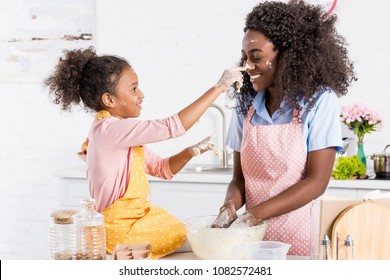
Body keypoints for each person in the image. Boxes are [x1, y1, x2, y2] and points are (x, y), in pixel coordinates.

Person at [44, 46, 244, 259]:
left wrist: (190, 152)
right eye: (133, 89)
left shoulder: (119, 132)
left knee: (198, 239)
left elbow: (162, 169)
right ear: (109, 100)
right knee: (204, 242)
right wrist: (219, 87)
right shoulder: (110, 129)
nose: (141, 95)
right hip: (121, 233)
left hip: (133, 224)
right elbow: (172, 126)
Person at [211, 0, 357, 257]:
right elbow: (239, 179)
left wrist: (253, 215)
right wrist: (229, 209)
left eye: (256, 58)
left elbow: (316, 182)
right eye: (244, 58)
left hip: (299, 235)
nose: (247, 67)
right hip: (251, 238)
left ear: (288, 55)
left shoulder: (319, 101)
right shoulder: (246, 103)